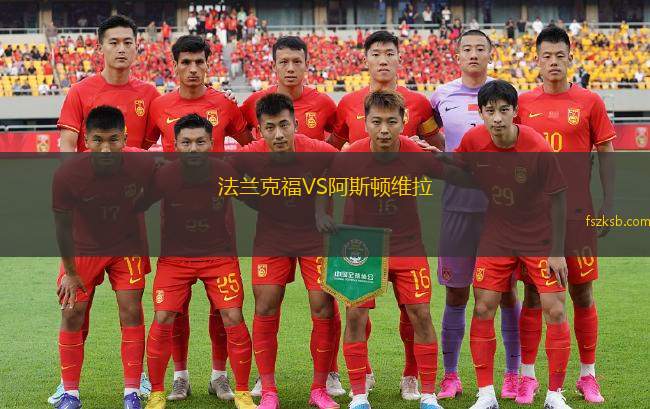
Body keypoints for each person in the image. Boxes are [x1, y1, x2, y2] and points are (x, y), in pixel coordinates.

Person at [316, 90, 445, 409]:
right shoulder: (351, 155)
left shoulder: (415, 152)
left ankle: (426, 392)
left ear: (403, 122)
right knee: (355, 315)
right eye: (376, 122)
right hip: (361, 245)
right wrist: (322, 213)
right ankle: (359, 394)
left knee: (420, 314)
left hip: (408, 244)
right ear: (366, 123)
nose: (384, 129)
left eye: (391, 121)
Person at [145, 35, 253, 401]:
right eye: (186, 63)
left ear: (208, 64)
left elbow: (251, 142)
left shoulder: (224, 103)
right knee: (174, 311)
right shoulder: (160, 106)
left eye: (199, 62)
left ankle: (220, 376)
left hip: (220, 228)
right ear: (174, 65)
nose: (193, 69)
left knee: (224, 309)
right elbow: (137, 148)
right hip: (174, 229)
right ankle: (180, 376)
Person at [516, 26, 616, 405]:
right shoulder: (522, 103)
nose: (554, 62)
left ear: (571, 58)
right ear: (537, 61)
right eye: (547, 56)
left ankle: (587, 376)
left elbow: (606, 153)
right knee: (532, 294)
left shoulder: (590, 101)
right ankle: (527, 377)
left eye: (560, 55)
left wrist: (610, 201)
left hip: (578, 214)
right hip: (533, 218)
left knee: (582, 293)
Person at [458, 80, 572, 409]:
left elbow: (559, 197)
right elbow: (454, 167)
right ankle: (486, 394)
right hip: (496, 235)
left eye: (504, 110)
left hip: (538, 237)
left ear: (515, 112)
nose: (497, 118)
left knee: (555, 308)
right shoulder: (472, 140)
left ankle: (554, 395)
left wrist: (557, 251)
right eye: (490, 111)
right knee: (482, 307)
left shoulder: (536, 145)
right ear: (481, 113)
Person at [233, 93, 341, 409]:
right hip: (272, 237)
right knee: (266, 305)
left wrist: (321, 207)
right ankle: (268, 390)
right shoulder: (250, 154)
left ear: (296, 124)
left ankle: (319, 388)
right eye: (270, 128)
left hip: (314, 237)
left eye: (284, 125)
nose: (278, 134)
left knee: (323, 305)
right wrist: (257, 200)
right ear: (259, 131)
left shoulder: (317, 150)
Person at [430, 29, 521, 401]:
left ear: (490, 53)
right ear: (456, 55)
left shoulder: (506, 94)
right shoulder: (440, 96)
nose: (473, 54)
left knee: (507, 293)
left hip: (500, 211)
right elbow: (432, 138)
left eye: (480, 48)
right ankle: (451, 375)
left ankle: (513, 374)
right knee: (456, 293)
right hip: (456, 207)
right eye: (466, 48)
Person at [52, 105, 156, 409]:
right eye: (97, 140)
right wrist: (70, 273)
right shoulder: (69, 174)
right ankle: (70, 393)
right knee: (72, 312)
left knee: (131, 311)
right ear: (85, 139)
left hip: (127, 247)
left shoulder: (142, 162)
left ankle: (132, 392)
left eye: (113, 139)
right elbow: (62, 227)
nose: (106, 148)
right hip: (83, 250)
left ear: (125, 138)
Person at [56, 15, 160, 152]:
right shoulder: (79, 92)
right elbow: (67, 147)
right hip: (91, 167)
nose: (121, 49)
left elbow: (149, 146)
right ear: (100, 48)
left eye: (127, 43)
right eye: (114, 43)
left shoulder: (150, 94)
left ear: (136, 47)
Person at [331, 31, 441, 151]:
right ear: (365, 60)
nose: (383, 61)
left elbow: (438, 145)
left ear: (399, 59)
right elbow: (333, 148)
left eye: (389, 54)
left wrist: (416, 147)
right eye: (376, 54)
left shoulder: (420, 103)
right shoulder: (347, 103)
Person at [240, 36, 338, 142]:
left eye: (297, 62)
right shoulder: (256, 101)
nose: (290, 69)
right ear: (274, 66)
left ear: (306, 65)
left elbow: (341, 134)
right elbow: (236, 127)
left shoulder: (323, 103)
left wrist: (324, 152)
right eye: (284, 62)